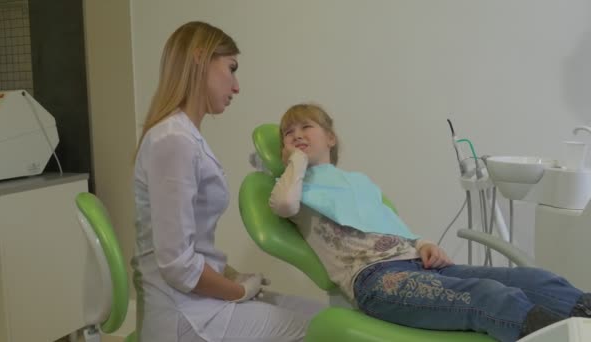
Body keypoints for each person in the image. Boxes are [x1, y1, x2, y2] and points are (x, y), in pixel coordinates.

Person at [269, 103, 591, 342]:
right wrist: (295, 162)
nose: (296, 135)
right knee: (490, 295)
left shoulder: (358, 182)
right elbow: (283, 204)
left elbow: (393, 224)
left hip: (421, 265)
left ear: (330, 137)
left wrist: (423, 243)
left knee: (533, 280)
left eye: (305, 127)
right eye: (288, 134)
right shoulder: (294, 187)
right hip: (376, 280)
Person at [132, 22, 323, 342]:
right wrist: (238, 291)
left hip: (198, 302)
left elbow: (189, 246)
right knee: (324, 333)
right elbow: (177, 265)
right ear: (200, 58)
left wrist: (232, 274)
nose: (236, 87)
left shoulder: (185, 137)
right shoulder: (173, 140)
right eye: (231, 69)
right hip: (184, 316)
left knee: (325, 317)